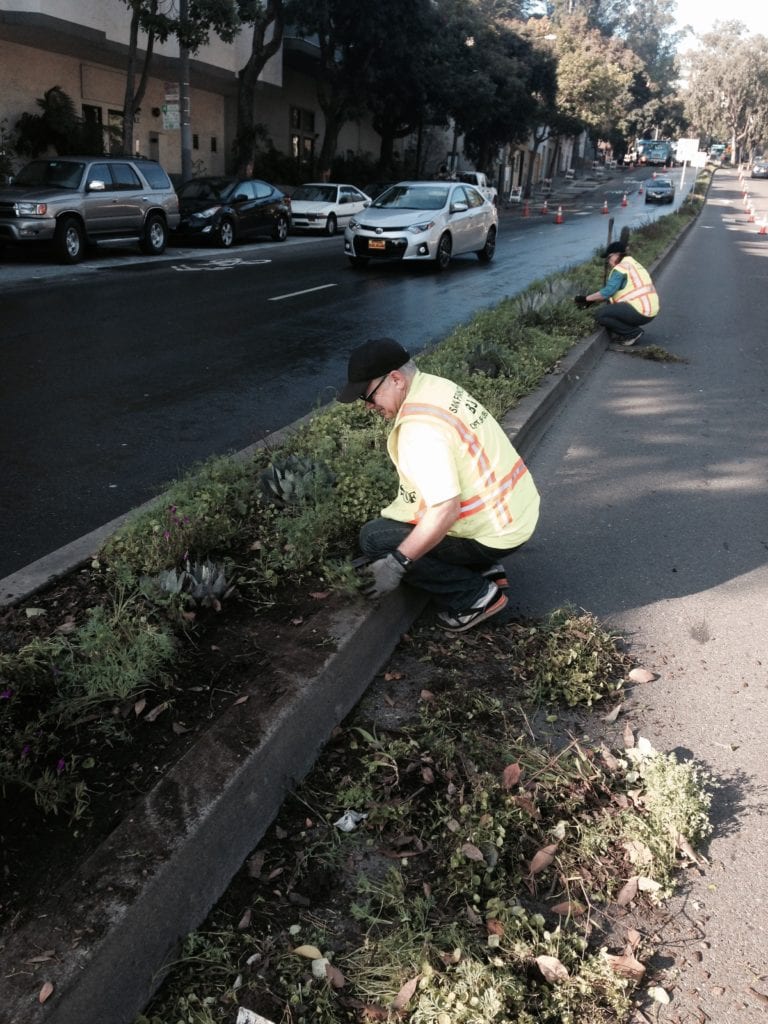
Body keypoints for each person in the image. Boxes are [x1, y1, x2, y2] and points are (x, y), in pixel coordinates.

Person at [337, 338, 540, 633]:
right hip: (515, 512)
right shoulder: (436, 387)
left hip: (491, 532)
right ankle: (484, 567)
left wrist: (395, 564)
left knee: (375, 538)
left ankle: (473, 596)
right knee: (395, 528)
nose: (368, 407)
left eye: (368, 397)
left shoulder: (418, 430)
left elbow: (445, 509)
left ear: (395, 379)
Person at [574, 241, 659, 346]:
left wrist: (585, 299)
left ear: (617, 254)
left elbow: (608, 292)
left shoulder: (620, 269)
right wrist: (593, 300)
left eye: (609, 258)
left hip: (640, 311)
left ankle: (632, 333)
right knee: (611, 308)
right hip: (650, 310)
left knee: (601, 315)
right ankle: (628, 330)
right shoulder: (632, 263)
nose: (609, 261)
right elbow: (619, 292)